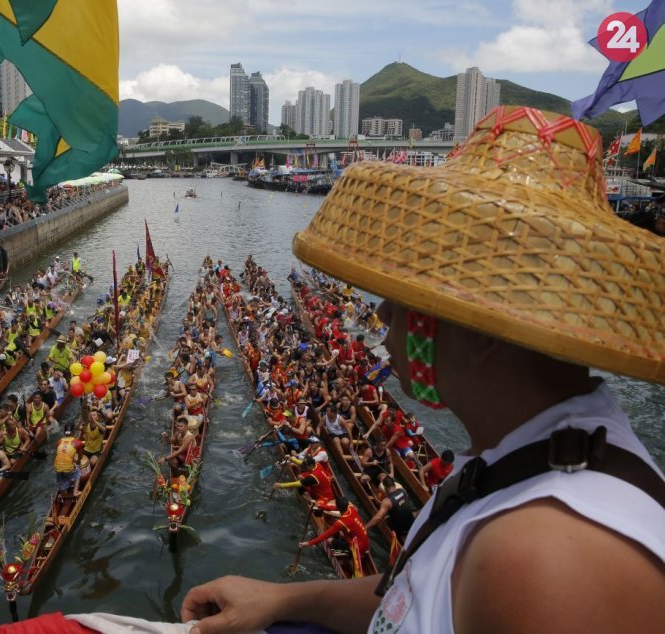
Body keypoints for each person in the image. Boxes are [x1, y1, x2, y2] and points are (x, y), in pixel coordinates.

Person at [182, 107, 664, 633]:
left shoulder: (543, 560)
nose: (383, 315)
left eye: (408, 295)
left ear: (480, 328)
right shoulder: (526, 462)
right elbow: (419, 594)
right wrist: (286, 600)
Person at [53, 430, 83, 497]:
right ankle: (75, 492)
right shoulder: (78, 442)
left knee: (60, 474)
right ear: (73, 433)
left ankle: (63, 492)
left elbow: (59, 454)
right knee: (78, 472)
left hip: (57, 467)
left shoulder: (59, 441)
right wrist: (78, 462)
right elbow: (80, 456)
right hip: (68, 468)